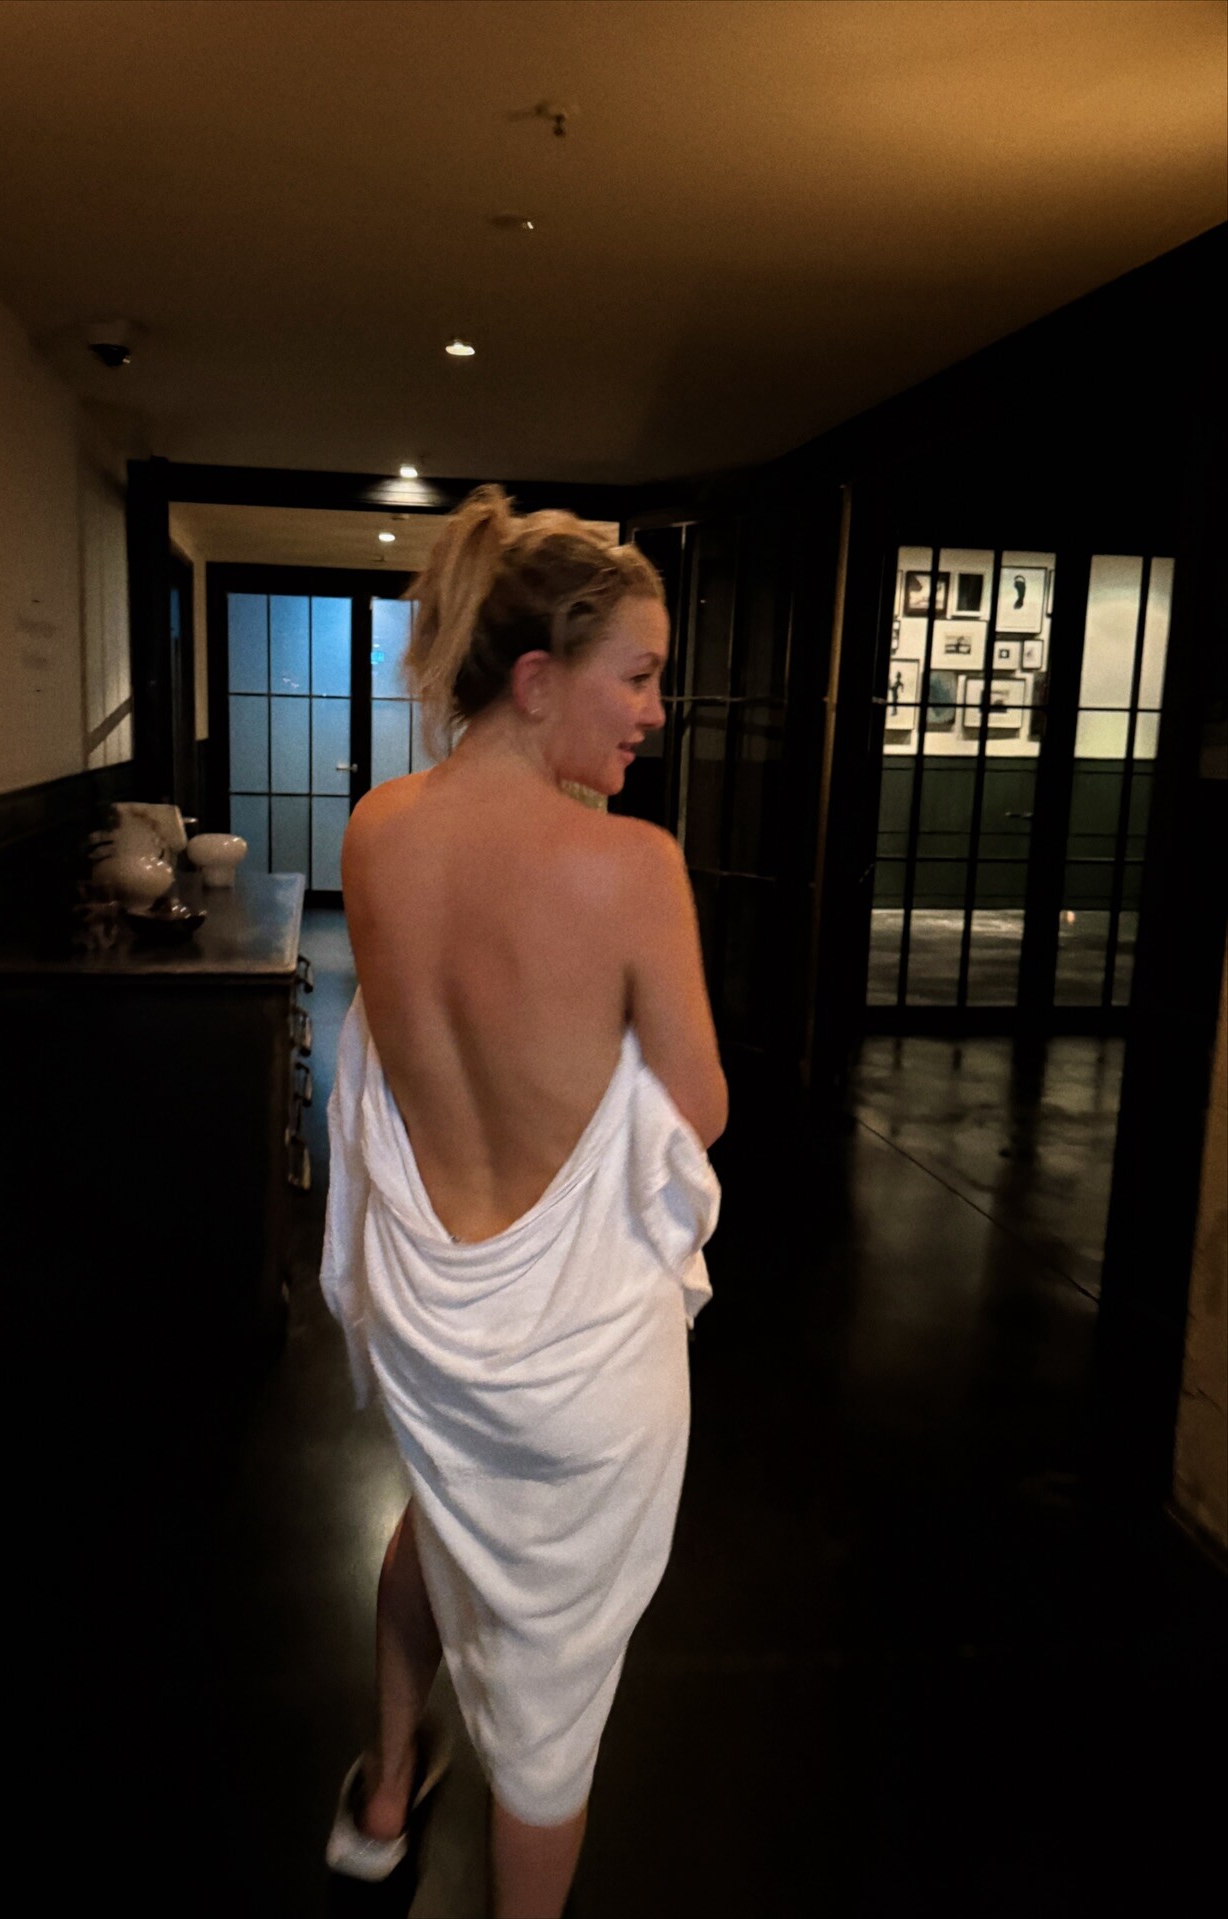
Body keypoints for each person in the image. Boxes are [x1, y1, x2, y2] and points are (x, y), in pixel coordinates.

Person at [319, 485, 727, 1919]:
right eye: (639, 676)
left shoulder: (378, 831)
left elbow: (403, 1046)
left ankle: (384, 1793)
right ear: (540, 678)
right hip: (579, 1368)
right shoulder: (632, 868)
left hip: (431, 1336)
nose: (656, 713)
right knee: (550, 1726)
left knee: (431, 1525)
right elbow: (696, 1112)